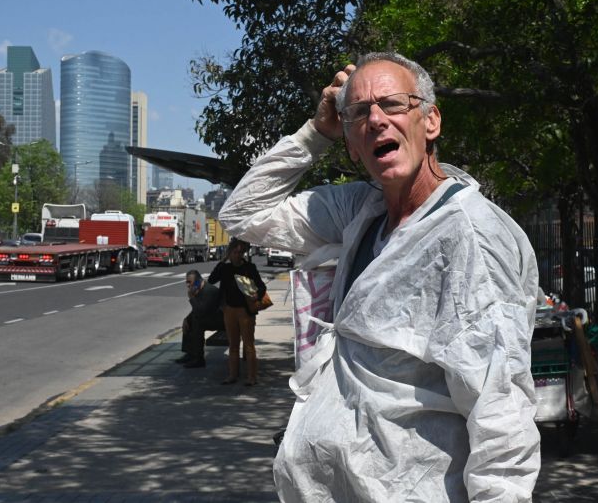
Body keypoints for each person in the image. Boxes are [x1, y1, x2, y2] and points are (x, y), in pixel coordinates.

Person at [218, 52, 540, 501]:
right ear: (350, 143)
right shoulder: (361, 210)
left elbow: (501, 409)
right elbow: (243, 214)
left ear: (430, 122)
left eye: (393, 104)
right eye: (358, 113)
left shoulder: (471, 236)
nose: (376, 120)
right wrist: (315, 134)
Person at [208, 239, 267, 386]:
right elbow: (211, 279)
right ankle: (232, 375)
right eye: (235, 252)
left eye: (240, 252)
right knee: (233, 345)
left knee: (248, 345)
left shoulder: (249, 268)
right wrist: (223, 260)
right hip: (229, 310)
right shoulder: (225, 268)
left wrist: (257, 295)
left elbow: (261, 287)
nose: (237, 255)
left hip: (245, 311)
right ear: (230, 252)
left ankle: (252, 377)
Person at [175, 270, 224, 369]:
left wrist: (192, 298)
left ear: (198, 281)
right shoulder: (198, 289)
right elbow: (197, 310)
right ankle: (190, 353)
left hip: (221, 320)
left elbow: (201, 311)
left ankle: (199, 359)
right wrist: (186, 319)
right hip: (210, 316)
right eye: (187, 282)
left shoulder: (209, 291)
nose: (188, 285)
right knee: (189, 320)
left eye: (190, 282)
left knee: (197, 322)